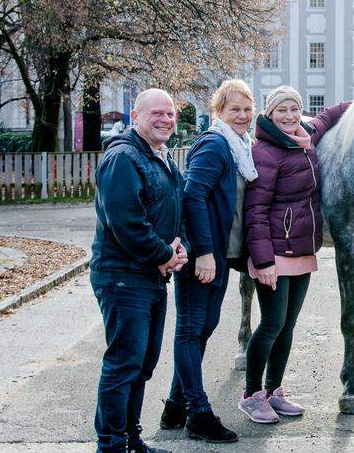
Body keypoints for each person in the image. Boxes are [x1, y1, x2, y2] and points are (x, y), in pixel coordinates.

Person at [238, 86, 348, 423]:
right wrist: (264, 261)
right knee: (271, 324)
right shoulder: (265, 152)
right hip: (273, 252)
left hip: (301, 248)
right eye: (281, 110)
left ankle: (273, 392)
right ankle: (251, 395)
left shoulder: (304, 137)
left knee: (287, 326)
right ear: (269, 114)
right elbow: (255, 211)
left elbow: (330, 114)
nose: (288, 116)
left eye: (293, 110)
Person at [90, 88, 188, 453]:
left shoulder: (160, 157)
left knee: (143, 363)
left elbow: (174, 210)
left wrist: (179, 249)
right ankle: (111, 445)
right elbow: (126, 222)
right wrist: (164, 253)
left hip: (150, 274)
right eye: (156, 114)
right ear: (136, 117)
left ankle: (131, 440)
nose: (165, 119)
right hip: (122, 276)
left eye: (170, 114)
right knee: (124, 362)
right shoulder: (123, 158)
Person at [159, 80, 256, 443]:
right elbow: (193, 194)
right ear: (219, 112)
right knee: (191, 329)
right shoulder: (216, 145)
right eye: (235, 109)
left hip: (217, 255)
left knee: (203, 327)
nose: (243, 116)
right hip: (202, 255)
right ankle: (198, 413)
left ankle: (174, 405)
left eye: (248, 109)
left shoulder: (240, 146)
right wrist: (203, 252)